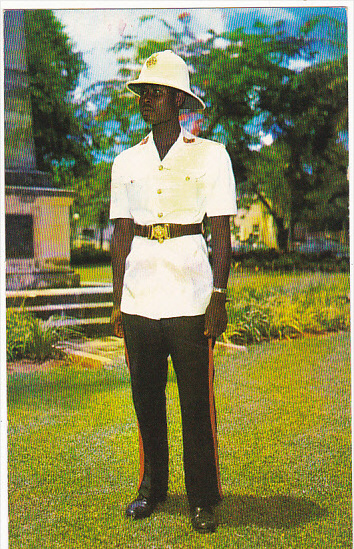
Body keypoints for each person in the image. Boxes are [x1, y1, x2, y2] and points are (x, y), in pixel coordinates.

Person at [110, 50, 237, 534]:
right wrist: (118, 299)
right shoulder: (126, 162)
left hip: (189, 292)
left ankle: (203, 497)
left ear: (180, 100)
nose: (146, 99)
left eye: (156, 91)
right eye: (143, 91)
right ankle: (152, 488)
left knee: (195, 403)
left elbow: (222, 233)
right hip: (141, 293)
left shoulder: (211, 155)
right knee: (145, 398)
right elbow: (120, 235)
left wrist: (218, 294)